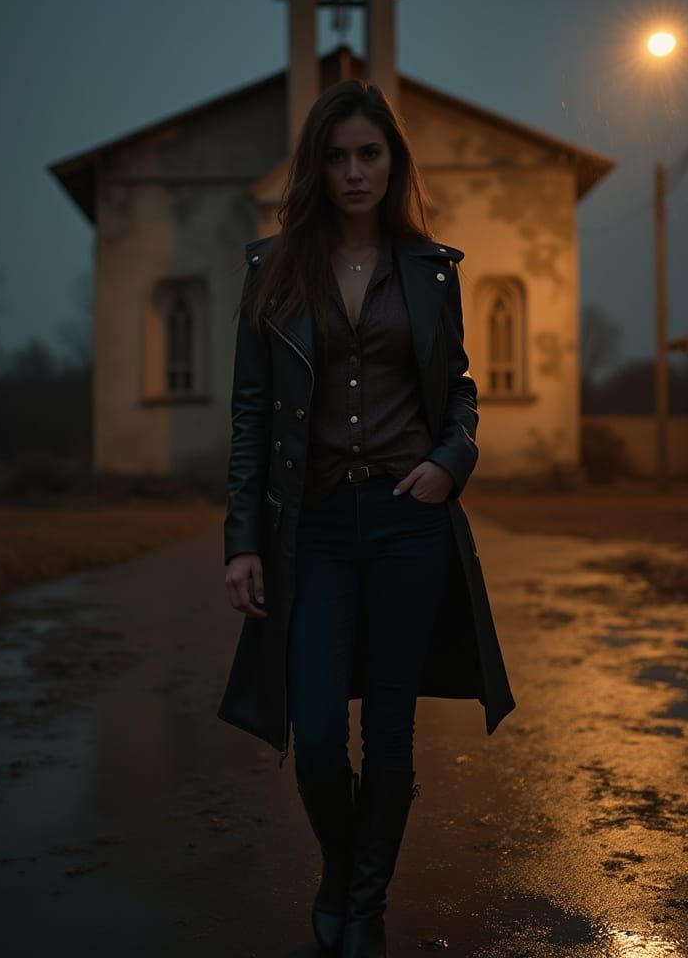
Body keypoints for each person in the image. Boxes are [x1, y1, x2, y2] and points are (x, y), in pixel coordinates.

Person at [220, 78, 515, 958]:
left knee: (389, 726)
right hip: (310, 530)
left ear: (393, 163)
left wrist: (447, 464)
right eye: (339, 156)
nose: (354, 171)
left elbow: (459, 392)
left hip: (405, 523)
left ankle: (366, 904)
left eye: (370, 154)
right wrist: (242, 541)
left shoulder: (430, 271)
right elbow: (248, 414)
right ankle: (344, 875)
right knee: (315, 738)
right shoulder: (271, 271)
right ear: (318, 166)